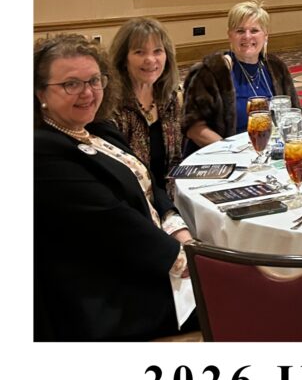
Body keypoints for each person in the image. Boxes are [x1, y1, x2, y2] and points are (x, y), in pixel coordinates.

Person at [34, 34, 194, 341]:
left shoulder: (97, 128)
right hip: (111, 290)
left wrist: (179, 230)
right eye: (71, 84)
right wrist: (188, 262)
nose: (88, 93)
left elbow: (149, 182)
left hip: (148, 255)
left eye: (95, 80)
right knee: (240, 299)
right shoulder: (41, 151)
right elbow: (114, 222)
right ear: (40, 91)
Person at [182, 1, 299, 150]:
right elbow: (193, 127)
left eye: (254, 31)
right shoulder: (213, 71)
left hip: (269, 151)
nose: (247, 36)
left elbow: (294, 113)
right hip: (223, 154)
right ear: (230, 35)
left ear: (265, 36)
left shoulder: (277, 68)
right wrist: (232, 149)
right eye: (240, 31)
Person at [104, 18, 183, 187]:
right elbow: (117, 174)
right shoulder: (111, 107)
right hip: (133, 196)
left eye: (157, 51)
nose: (150, 59)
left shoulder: (169, 98)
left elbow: (175, 161)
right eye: (140, 52)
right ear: (124, 59)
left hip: (171, 193)